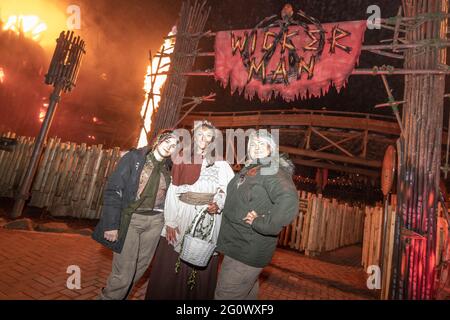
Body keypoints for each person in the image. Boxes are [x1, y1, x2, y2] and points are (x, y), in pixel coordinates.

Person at [145, 121, 235, 300]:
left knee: (200, 257)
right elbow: (173, 191)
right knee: (173, 256)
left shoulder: (221, 165)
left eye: (208, 136)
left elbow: (226, 190)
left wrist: (218, 204)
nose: (204, 139)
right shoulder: (183, 158)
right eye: (200, 134)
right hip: (183, 213)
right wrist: (170, 221)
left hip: (208, 219)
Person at [92, 130, 179, 300]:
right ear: (158, 141)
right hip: (131, 219)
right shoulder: (134, 158)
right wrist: (111, 224)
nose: (170, 147)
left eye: (174, 145)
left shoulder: (169, 168)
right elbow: (113, 190)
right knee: (125, 272)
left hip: (155, 222)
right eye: (168, 141)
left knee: (140, 268)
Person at [214, 130, 299, 300]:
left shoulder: (271, 169)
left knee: (225, 296)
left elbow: (288, 199)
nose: (256, 147)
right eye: (253, 144)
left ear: (271, 150)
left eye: (262, 144)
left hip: (246, 248)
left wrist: (261, 222)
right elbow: (243, 200)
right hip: (238, 246)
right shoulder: (253, 169)